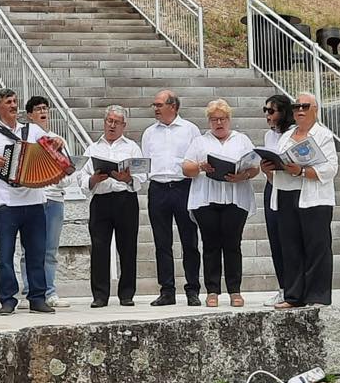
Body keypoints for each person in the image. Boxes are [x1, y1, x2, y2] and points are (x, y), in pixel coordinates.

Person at [0, 89, 67, 315]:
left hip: (34, 202)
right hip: (5, 205)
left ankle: (37, 298)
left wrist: (57, 144)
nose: (13, 105)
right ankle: (7, 299)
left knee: (36, 253)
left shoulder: (32, 130)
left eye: (15, 101)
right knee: (5, 254)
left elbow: (54, 152)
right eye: (8, 102)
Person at [181, 99, 259, 308]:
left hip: (235, 197)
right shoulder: (200, 141)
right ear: (209, 121)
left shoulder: (241, 140)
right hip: (207, 198)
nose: (218, 123)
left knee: (233, 244)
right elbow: (186, 168)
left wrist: (243, 175)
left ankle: (235, 290)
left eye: (222, 119)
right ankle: (212, 290)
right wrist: (200, 166)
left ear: (229, 119)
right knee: (210, 244)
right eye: (214, 119)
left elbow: (255, 168)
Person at [267, 92, 338, 309]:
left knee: (317, 247)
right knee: (290, 247)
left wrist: (301, 171)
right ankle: (293, 294)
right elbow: (279, 164)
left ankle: (317, 295)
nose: (300, 110)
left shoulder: (323, 135)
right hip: (287, 194)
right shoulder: (287, 135)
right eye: (297, 106)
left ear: (315, 110)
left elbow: (330, 168)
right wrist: (268, 168)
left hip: (314, 198)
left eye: (305, 106)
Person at [141, 89, 202, 306]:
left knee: (189, 240)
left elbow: (197, 159)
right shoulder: (149, 133)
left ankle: (193, 289)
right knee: (162, 242)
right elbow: (145, 162)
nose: (155, 109)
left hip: (183, 187)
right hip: (158, 187)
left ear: (173, 106)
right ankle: (167, 290)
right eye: (155, 105)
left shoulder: (190, 130)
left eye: (159, 105)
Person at [82, 106, 144, 308]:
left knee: (127, 247)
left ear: (124, 125)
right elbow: (82, 177)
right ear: (104, 122)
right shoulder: (93, 148)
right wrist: (93, 179)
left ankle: (126, 293)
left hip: (125, 199)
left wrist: (128, 179)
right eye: (109, 121)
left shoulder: (132, 147)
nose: (112, 125)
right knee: (99, 248)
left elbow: (142, 176)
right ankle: (100, 295)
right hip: (101, 200)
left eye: (117, 122)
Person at [24, 95, 70, 308]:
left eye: (45, 108)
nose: (43, 112)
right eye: (38, 109)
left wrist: (56, 182)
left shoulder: (58, 140)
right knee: (29, 250)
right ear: (29, 115)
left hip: (53, 199)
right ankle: (28, 291)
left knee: (50, 250)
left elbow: (70, 174)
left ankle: (50, 291)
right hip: (32, 200)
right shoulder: (24, 138)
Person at [260, 95, 296, 307]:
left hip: (289, 190)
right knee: (275, 239)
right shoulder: (268, 135)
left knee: (288, 240)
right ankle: (283, 287)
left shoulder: (293, 134)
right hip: (272, 187)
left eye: (271, 111)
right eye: (265, 110)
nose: (267, 115)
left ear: (283, 112)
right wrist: (266, 172)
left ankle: (294, 288)